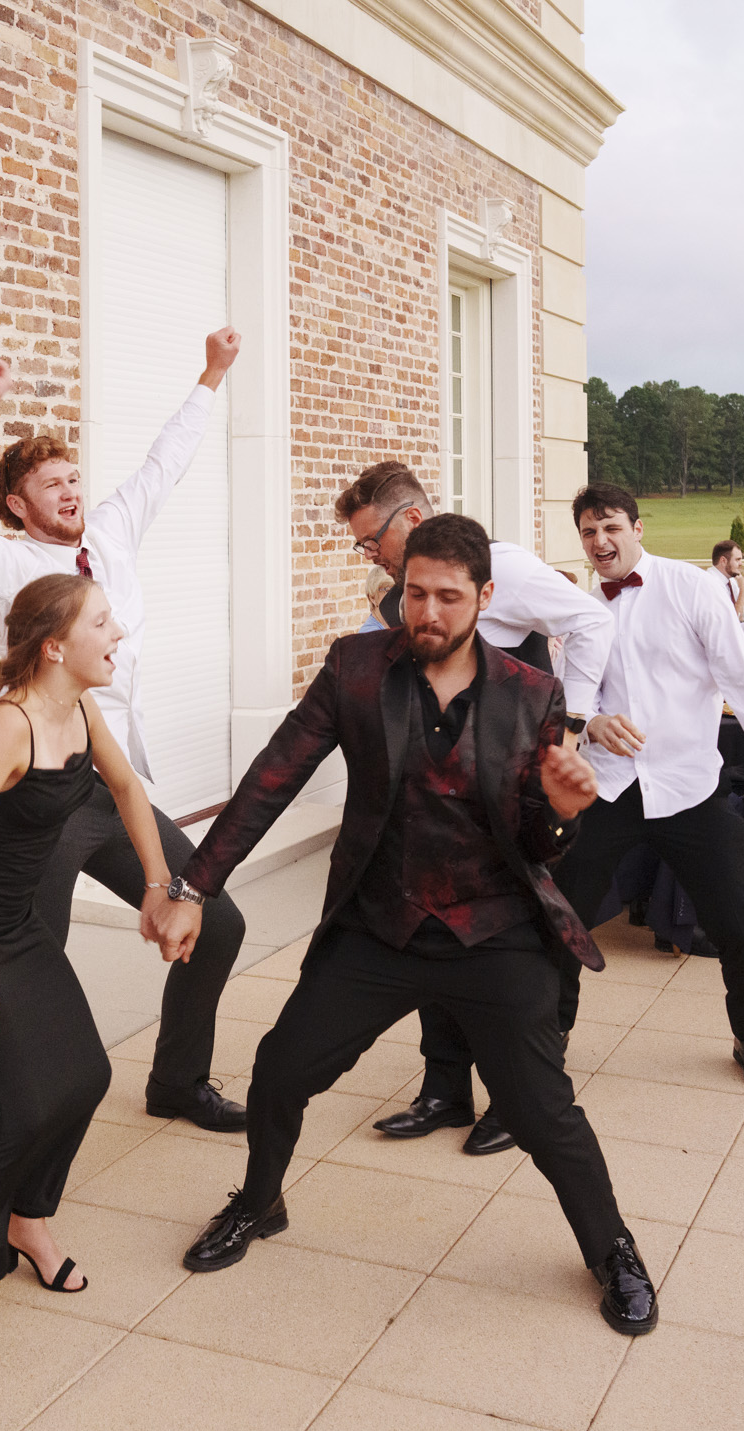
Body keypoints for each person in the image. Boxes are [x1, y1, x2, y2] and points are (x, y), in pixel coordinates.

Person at [149, 516, 659, 1336]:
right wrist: (193, 886)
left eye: (447, 598)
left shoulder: (532, 694)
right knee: (280, 1071)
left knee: (541, 1112)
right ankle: (259, 1202)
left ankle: (614, 1251)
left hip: (494, 930)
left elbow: (537, 840)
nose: (425, 612)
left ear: (485, 599)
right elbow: (272, 778)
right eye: (413, 593)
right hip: (379, 925)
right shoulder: (356, 669)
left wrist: (563, 815)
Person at [0, 333, 248, 1132]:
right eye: (48, 483)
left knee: (220, 919)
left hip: (103, 783)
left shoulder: (110, 535)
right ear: (17, 505)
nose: (69, 490)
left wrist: (209, 375)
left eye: (73, 477)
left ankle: (177, 1081)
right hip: (36, 805)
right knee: (18, 978)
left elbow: (164, 463)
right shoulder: (2, 565)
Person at [0, 574, 187, 1388]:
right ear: (56, 646)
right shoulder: (7, 726)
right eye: (102, 622)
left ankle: (28, 1219)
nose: (117, 632)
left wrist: (157, 884)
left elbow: (125, 788)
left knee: (84, 1076)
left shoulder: (80, 711)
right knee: (9, 1111)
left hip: (15, 922)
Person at [333, 461, 613, 1154]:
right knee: (437, 931)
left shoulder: (505, 569)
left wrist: (571, 724)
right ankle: (444, 1091)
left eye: (373, 542)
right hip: (440, 798)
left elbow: (590, 620)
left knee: (525, 949)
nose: (371, 557)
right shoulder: (408, 592)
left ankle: (519, 1100)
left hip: (516, 795)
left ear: (413, 521)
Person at [556, 483, 744, 1095]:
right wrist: (592, 723)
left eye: (611, 526)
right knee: (560, 923)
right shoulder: (585, 609)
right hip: (610, 791)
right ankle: (545, 1046)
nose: (600, 541)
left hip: (690, 790)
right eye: (588, 532)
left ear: (638, 528)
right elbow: (570, 702)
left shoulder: (693, 589)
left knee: (739, 924)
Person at [712, 538, 744, 620]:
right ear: (723, 561)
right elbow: (737, 619)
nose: (741, 564)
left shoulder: (731, 581)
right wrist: (743, 588)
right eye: (737, 560)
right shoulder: (712, 583)